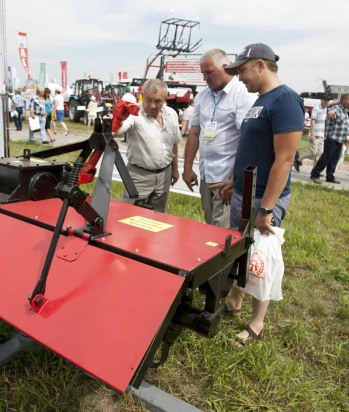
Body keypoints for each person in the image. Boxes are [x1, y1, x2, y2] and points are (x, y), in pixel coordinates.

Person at [213, 43, 304, 347]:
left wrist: (267, 208)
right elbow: (251, 148)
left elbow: (285, 160)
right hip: (243, 191)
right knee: (244, 251)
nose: (239, 78)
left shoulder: (286, 100)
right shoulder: (260, 101)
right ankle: (236, 297)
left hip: (263, 197)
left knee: (260, 259)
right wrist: (233, 180)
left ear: (261, 65)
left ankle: (256, 324)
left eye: (242, 70)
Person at [182, 48, 257, 227]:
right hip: (207, 175)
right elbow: (194, 132)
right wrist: (187, 167)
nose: (205, 78)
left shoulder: (242, 95)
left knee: (222, 234)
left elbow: (246, 139)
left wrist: (234, 178)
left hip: (226, 179)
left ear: (226, 66)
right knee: (211, 226)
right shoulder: (202, 96)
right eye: (203, 73)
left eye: (209, 72)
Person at [115, 78, 182, 213]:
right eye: (148, 100)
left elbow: (173, 144)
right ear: (142, 95)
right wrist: (118, 120)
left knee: (157, 218)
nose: (152, 105)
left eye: (157, 101)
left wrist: (174, 169)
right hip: (139, 176)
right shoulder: (134, 113)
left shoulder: (172, 114)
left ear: (165, 98)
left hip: (164, 175)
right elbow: (118, 132)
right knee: (130, 216)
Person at [309, 94, 349, 184]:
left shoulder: (345, 112)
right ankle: (315, 174)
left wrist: (346, 138)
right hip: (332, 138)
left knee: (334, 159)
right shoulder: (336, 108)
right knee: (326, 158)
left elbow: (344, 126)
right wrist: (330, 114)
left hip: (340, 139)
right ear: (343, 100)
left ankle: (330, 176)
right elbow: (330, 112)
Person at [300, 95, 329, 167]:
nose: (326, 102)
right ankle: (298, 160)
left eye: (327, 100)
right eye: (325, 100)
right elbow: (313, 121)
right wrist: (312, 134)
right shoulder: (316, 109)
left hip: (321, 134)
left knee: (319, 153)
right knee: (312, 152)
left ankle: (314, 170)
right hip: (315, 133)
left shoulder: (325, 109)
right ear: (321, 100)